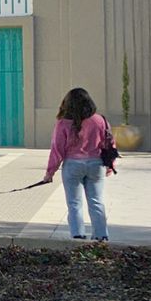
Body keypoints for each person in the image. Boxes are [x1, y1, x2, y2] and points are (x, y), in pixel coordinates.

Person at [42, 87, 116, 241]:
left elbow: (57, 149)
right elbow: (110, 144)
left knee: (74, 203)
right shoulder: (100, 120)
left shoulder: (63, 123)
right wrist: (111, 165)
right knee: (96, 201)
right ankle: (101, 236)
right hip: (96, 165)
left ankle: (78, 235)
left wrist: (50, 172)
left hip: (73, 165)